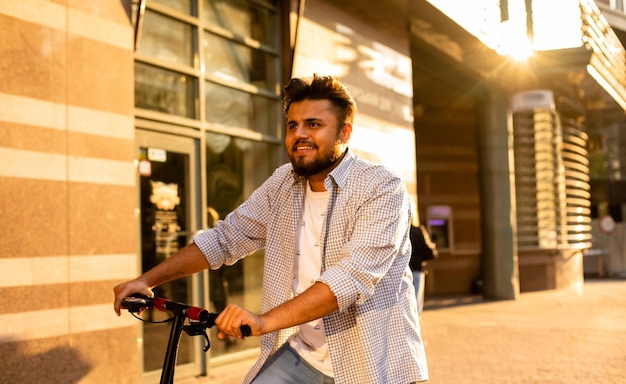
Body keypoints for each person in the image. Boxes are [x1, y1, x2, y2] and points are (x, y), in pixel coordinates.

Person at [113, 75, 429, 384]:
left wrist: (262, 322)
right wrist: (146, 280)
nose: (299, 135)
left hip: (371, 364)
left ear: (345, 133)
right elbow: (225, 239)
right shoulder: (283, 183)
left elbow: (351, 278)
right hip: (303, 357)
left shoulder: (381, 187)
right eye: (293, 125)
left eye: (314, 125)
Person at [409, 224, 438, 316]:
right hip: (417, 270)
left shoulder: (398, 228)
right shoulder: (418, 231)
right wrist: (433, 246)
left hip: (400, 272)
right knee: (416, 303)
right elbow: (429, 253)